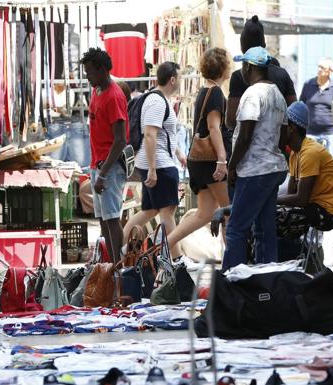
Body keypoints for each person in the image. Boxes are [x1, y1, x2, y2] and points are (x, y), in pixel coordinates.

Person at [224, 46, 289, 270]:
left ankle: (231, 283)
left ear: (249, 67)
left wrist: (231, 167)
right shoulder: (278, 95)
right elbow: (283, 137)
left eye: (243, 66)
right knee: (264, 230)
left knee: (236, 229)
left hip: (254, 170)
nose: (241, 71)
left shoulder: (253, 94)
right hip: (272, 168)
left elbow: (245, 136)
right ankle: (266, 283)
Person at [165, 49, 232, 256]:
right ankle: (232, 258)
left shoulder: (205, 91)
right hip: (211, 161)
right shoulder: (216, 93)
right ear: (223, 68)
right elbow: (213, 127)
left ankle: (164, 246)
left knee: (204, 214)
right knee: (229, 210)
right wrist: (222, 160)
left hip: (199, 161)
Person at [123, 61, 186, 258]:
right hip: (159, 165)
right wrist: (152, 168)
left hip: (156, 162)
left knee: (150, 211)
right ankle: (176, 260)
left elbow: (161, 134)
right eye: (180, 77)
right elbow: (150, 134)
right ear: (172, 79)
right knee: (168, 212)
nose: (181, 81)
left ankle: (120, 249)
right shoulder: (158, 101)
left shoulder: (156, 99)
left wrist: (178, 153)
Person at [81, 48, 129, 263]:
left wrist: (103, 174)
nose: (88, 76)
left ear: (102, 70)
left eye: (90, 72)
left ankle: (117, 266)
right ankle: (109, 264)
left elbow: (120, 140)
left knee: (111, 219)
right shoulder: (97, 90)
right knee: (102, 218)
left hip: (109, 168)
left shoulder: (113, 96)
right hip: (97, 164)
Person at [278, 101, 333, 229]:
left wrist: (270, 201)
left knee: (275, 218)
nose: (278, 130)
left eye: (282, 126)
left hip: (329, 212)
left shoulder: (310, 153)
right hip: (314, 205)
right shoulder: (295, 152)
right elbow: (291, 192)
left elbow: (301, 199)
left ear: (292, 128)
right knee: (271, 211)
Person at [226, 16, 296, 134]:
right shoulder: (282, 74)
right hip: (277, 146)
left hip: (249, 148)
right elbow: (293, 114)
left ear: (242, 46)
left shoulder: (239, 77)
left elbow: (231, 121)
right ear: (264, 43)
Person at [299, 58, 333, 155]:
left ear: (330, 71)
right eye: (318, 67)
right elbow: (301, 104)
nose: (319, 69)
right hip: (310, 133)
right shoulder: (308, 84)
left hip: (330, 133)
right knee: (310, 162)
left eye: (322, 67)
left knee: (327, 165)